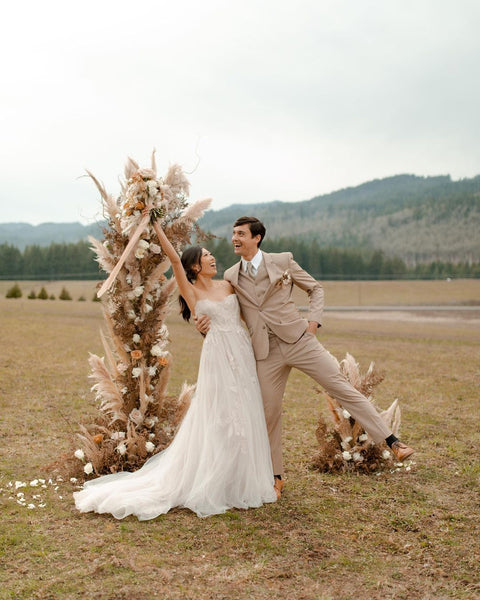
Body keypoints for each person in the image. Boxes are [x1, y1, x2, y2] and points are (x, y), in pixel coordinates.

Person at [73, 216, 277, 519]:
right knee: (220, 413)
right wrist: (155, 225)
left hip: (242, 352)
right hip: (218, 355)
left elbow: (253, 312)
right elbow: (174, 259)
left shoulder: (229, 285)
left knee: (244, 409)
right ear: (195, 266)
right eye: (207, 256)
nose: (212, 258)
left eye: (211, 255)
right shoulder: (191, 291)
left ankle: (242, 478)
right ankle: (215, 479)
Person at [195, 216, 415, 497]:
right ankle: (276, 476)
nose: (234, 239)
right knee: (268, 413)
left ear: (256, 237)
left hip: (300, 340)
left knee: (342, 388)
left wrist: (313, 323)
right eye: (233, 234)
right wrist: (201, 324)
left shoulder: (283, 261)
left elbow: (316, 288)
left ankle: (394, 443)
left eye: (240, 234)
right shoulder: (230, 276)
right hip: (265, 352)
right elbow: (217, 304)